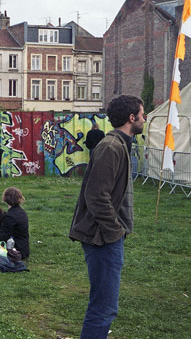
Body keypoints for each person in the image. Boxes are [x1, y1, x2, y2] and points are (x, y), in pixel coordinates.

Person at [69, 94, 144, 339]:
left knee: (104, 306)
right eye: (142, 114)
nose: (145, 118)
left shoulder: (120, 144)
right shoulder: (111, 147)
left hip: (108, 236)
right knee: (103, 307)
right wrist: (115, 231)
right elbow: (96, 196)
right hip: (102, 237)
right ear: (132, 118)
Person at [1, 187, 30, 260]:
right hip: (24, 247)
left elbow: (4, 235)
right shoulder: (21, 212)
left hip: (15, 249)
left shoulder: (10, 216)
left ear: (5, 198)